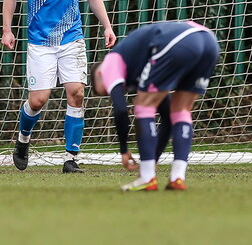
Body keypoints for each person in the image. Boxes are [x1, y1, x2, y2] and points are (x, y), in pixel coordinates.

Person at [1, 0, 116, 173]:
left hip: (71, 39)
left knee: (76, 93)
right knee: (38, 100)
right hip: (40, 41)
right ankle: (23, 141)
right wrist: (7, 30)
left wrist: (107, 26)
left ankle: (70, 159)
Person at [91, 20, 220, 192]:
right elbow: (166, 119)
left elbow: (121, 109)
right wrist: (153, 159)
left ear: (100, 74)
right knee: (180, 111)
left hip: (179, 41)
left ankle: (146, 178)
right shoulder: (139, 68)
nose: (112, 92)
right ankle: (177, 178)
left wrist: (123, 150)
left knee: (143, 106)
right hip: (209, 42)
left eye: (106, 90)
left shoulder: (109, 63)